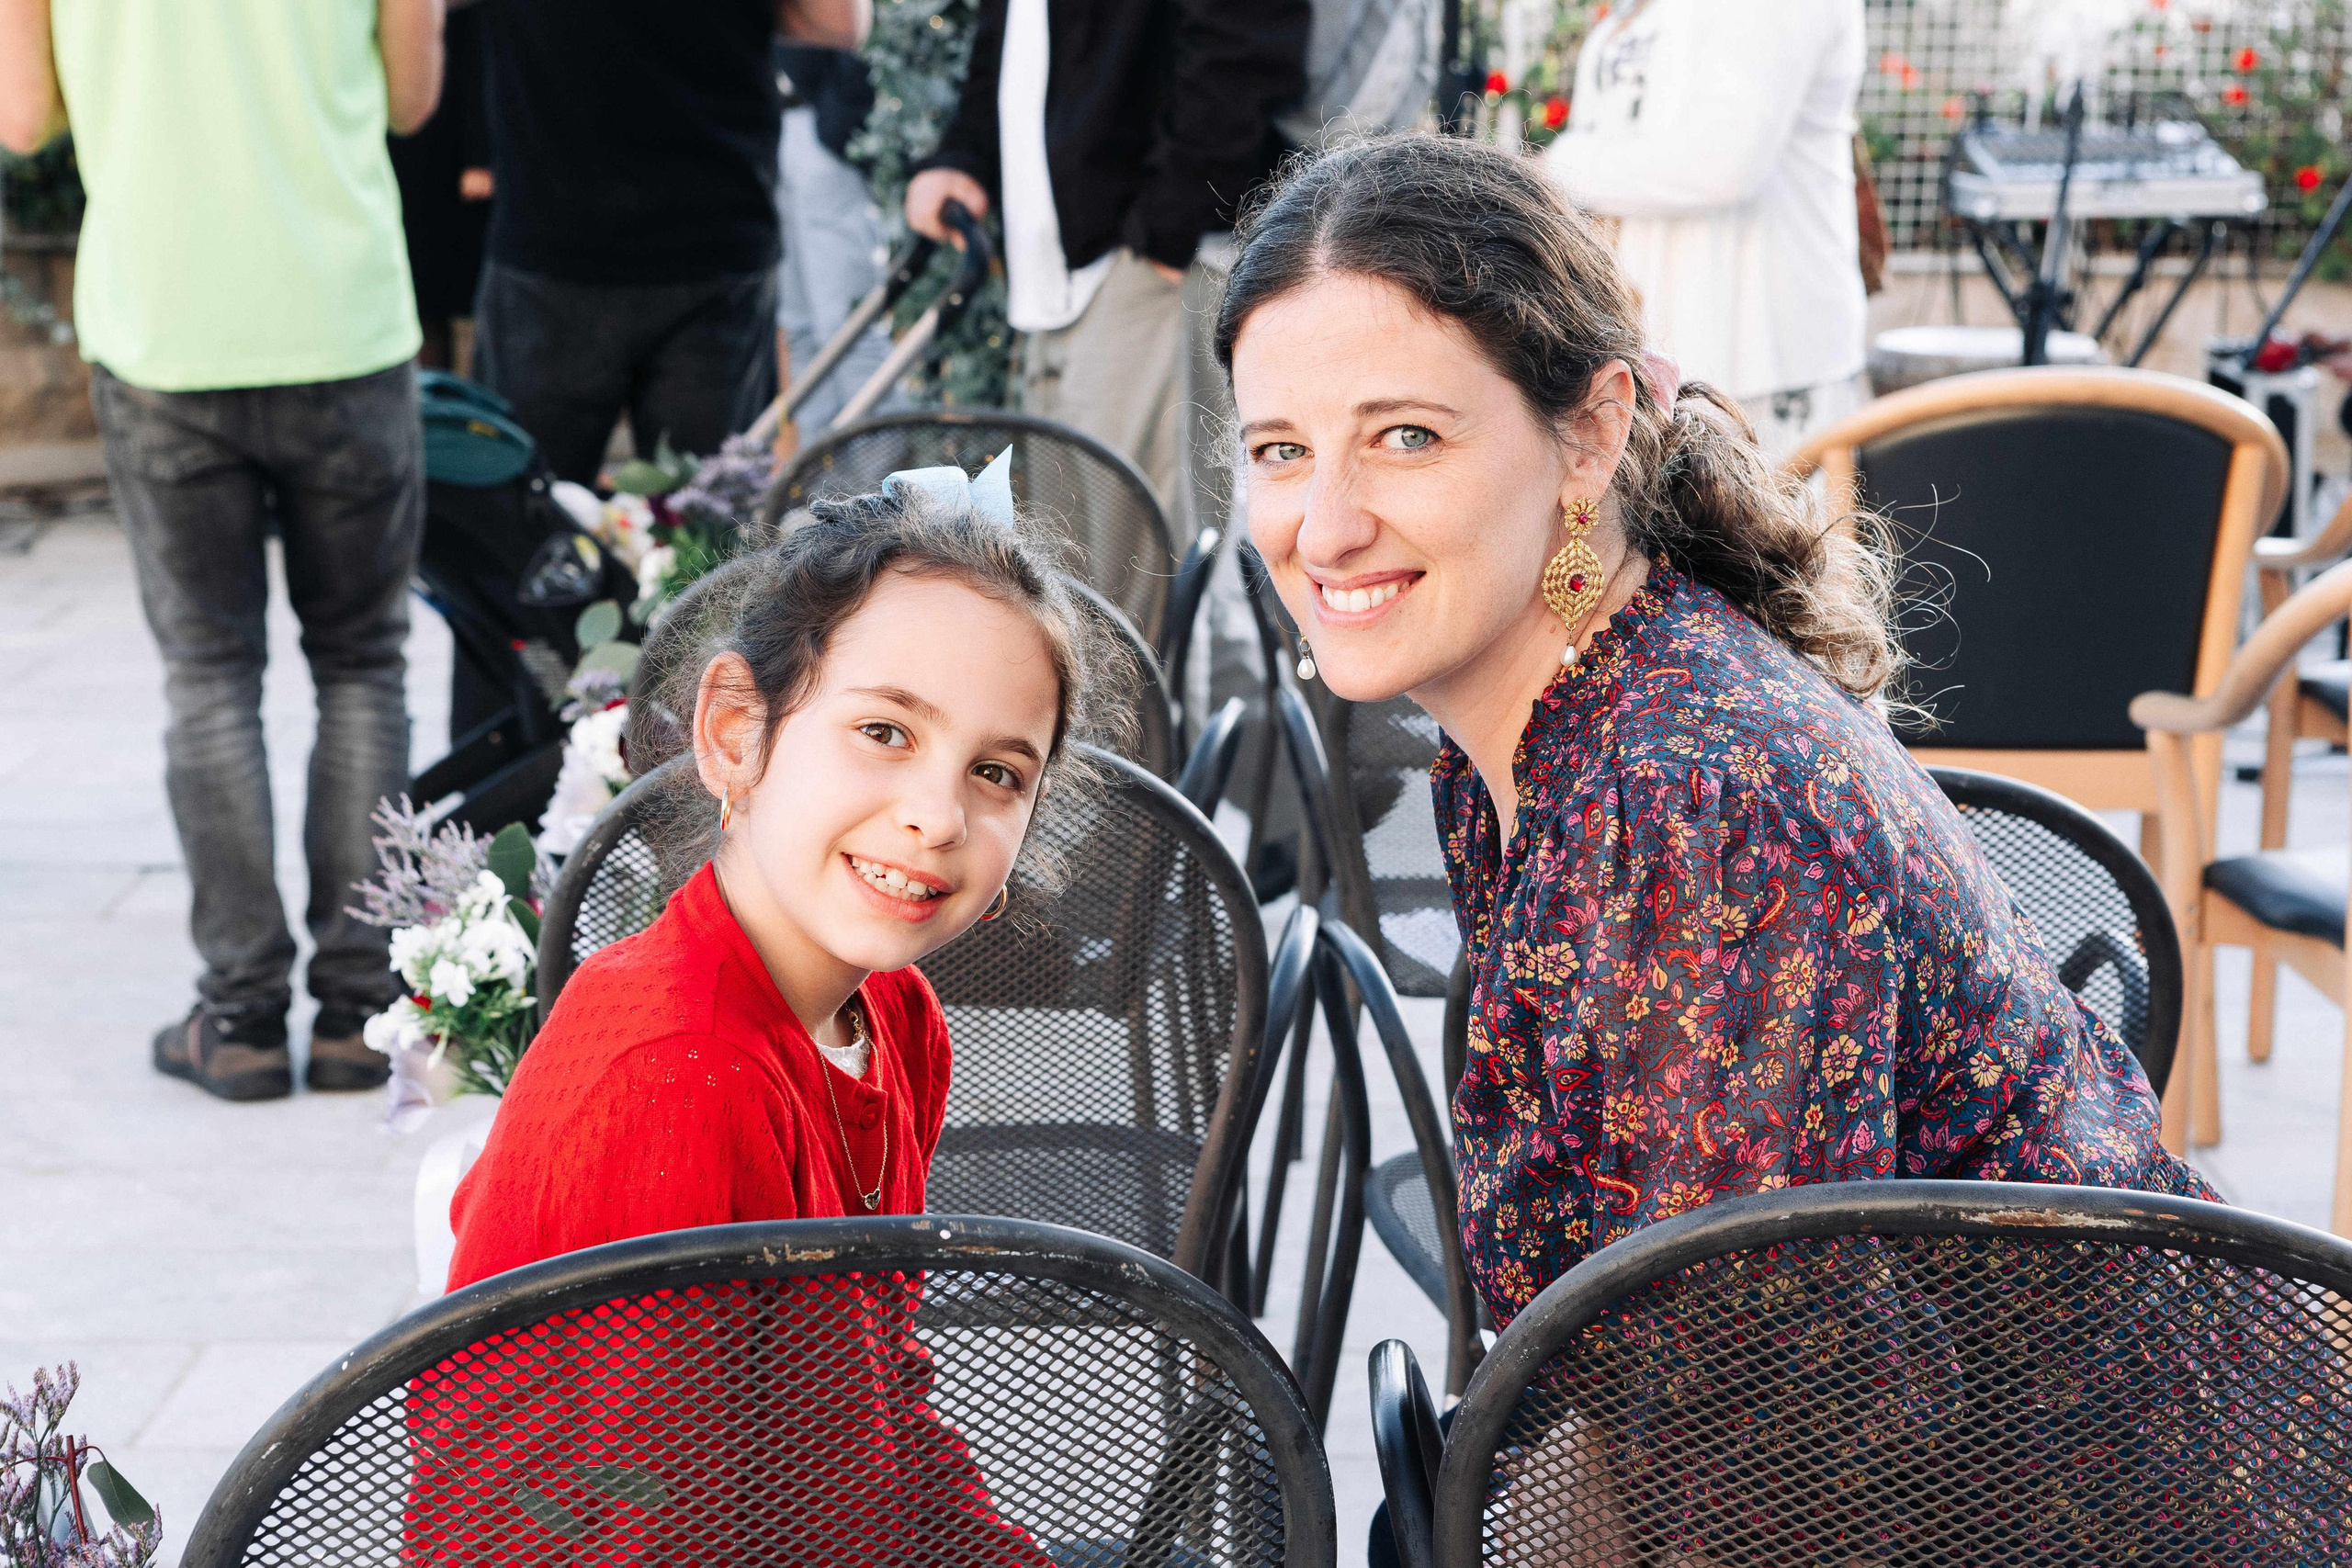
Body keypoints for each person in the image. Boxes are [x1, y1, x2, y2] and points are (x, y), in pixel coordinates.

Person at [1214, 136, 2213, 1561]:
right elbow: (1671, 1368)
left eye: (1407, 436)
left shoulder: (1686, 800)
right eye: (1281, 450)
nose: (1325, 525)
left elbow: (1781, 1446)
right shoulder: (1549, 719)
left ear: (1591, 430)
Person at [425, 474, 1092, 1562]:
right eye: (884, 731)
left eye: (995, 772)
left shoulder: (895, 1015)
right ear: (737, 733)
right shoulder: (681, 1078)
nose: (937, 816)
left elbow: (882, 1405)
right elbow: (648, 1533)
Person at [1, 0, 445, 1100]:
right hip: (341, 319)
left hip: (163, 329)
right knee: (362, 665)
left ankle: (240, 1017)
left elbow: (22, 119)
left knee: (208, 678)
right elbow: (412, 98)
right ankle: (358, 1009)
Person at [902, 0, 1307, 511]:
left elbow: (1242, 40)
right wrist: (963, 156)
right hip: (1058, 265)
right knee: (1064, 536)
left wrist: (1170, 220)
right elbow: (1013, 31)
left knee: (1141, 536)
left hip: (1148, 258)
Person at [469, 0, 870, 485]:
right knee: (708, 516)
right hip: (707, 230)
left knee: (522, 507)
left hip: (563, 232)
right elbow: (839, 22)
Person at [1543, 0, 1869, 458]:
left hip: (1760, 358)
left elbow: (1724, 161)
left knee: (1770, 501)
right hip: (1660, 354)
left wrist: (1558, 166)